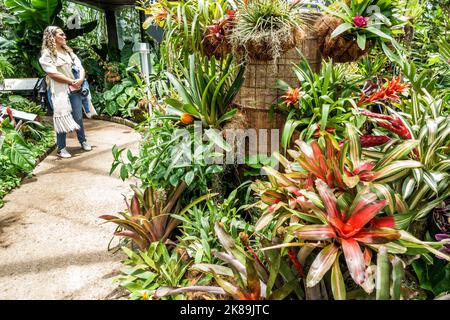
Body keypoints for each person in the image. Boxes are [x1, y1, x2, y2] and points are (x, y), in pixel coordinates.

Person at [39, 26, 93, 158]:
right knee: (61, 117)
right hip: (59, 91)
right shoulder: (47, 54)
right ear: (52, 37)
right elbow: (52, 73)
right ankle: (61, 147)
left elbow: (80, 67)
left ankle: (83, 140)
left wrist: (80, 79)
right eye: (61, 35)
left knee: (78, 117)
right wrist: (71, 81)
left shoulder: (68, 52)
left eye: (64, 35)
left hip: (75, 89)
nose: (64, 37)